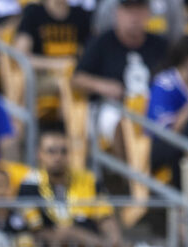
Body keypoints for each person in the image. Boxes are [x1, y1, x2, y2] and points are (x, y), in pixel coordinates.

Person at [17, 126, 124, 247]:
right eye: (51, 151)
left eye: (63, 151)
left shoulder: (88, 180)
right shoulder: (29, 184)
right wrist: (67, 237)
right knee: (64, 234)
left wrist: (115, 240)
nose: (58, 157)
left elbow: (106, 218)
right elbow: (37, 230)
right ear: (39, 154)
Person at [72, 0, 168, 149]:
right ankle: (128, 171)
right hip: (111, 106)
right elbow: (77, 79)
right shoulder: (103, 42)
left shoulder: (160, 45)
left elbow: (174, 75)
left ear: (148, 14)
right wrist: (102, 85)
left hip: (150, 105)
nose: (134, 17)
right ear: (118, 13)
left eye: (139, 11)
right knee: (119, 123)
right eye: (129, 11)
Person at [147, 35, 188, 180]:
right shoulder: (165, 84)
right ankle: (183, 200)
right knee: (181, 150)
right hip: (161, 147)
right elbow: (168, 133)